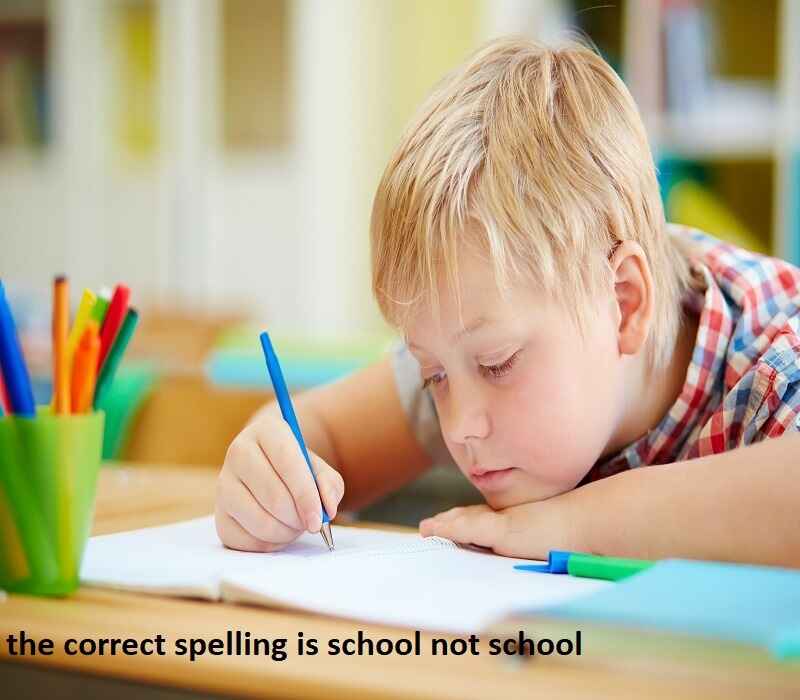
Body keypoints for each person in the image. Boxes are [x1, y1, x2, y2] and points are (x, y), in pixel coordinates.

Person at [215, 37, 800, 566]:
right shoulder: (474, 340)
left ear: (623, 303)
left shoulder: (774, 359)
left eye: (499, 364)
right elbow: (320, 433)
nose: (463, 427)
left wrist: (576, 523)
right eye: (433, 377)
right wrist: (272, 470)